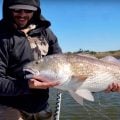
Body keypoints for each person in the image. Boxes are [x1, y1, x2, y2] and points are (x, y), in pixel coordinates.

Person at [0, 0, 62, 120]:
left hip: (42, 106)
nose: (22, 15)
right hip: (10, 107)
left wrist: (98, 84)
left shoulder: (46, 32)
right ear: (8, 9)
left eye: (28, 10)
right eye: (17, 10)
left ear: (36, 11)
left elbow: (60, 65)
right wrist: (27, 85)